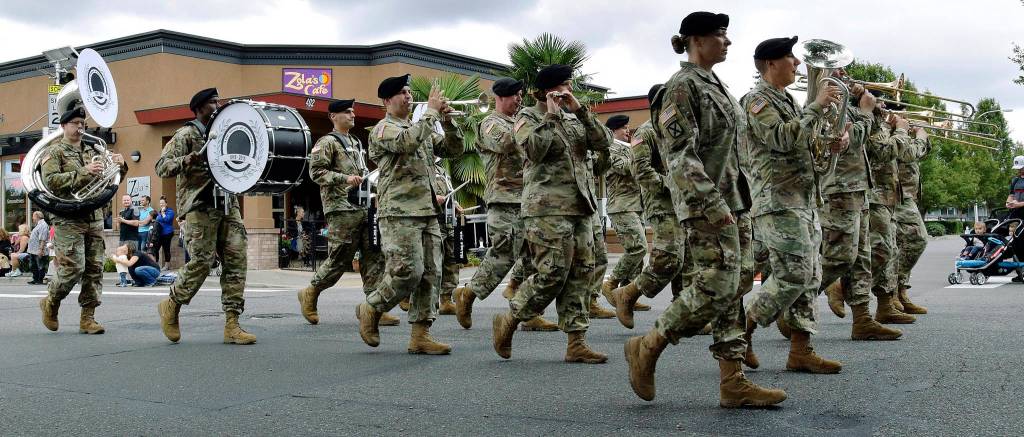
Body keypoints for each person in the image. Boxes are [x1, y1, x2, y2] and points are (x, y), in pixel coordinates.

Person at [623, 12, 785, 407]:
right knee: (717, 284)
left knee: (737, 285)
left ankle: (733, 381)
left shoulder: (717, 86)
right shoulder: (681, 87)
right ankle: (648, 343)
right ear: (697, 40)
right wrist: (710, 203)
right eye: (720, 35)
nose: (727, 42)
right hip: (707, 205)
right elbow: (678, 155)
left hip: (735, 201)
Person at [491, 64, 612, 364]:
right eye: (565, 86)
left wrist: (580, 110)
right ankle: (511, 318)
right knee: (552, 273)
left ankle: (576, 341)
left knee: (582, 272)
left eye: (571, 86)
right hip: (545, 209)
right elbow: (534, 151)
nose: (569, 91)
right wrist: (551, 116)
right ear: (548, 91)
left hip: (580, 206)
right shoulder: (527, 117)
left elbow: (603, 142)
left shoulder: (575, 116)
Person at [739, 36, 845, 374]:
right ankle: (740, 331)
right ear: (771, 64)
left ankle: (801, 350)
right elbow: (782, 139)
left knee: (811, 275)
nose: (798, 64)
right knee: (793, 274)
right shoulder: (757, 100)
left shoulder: (788, 100)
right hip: (777, 200)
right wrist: (815, 106)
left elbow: (806, 149)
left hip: (802, 199)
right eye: (791, 58)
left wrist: (831, 143)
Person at [355, 74, 463, 354]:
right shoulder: (383, 129)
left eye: (408, 91)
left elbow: (453, 149)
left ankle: (420, 335)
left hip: (427, 211)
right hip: (398, 211)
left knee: (431, 273)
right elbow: (407, 142)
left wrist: (448, 121)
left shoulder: (421, 127)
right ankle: (371, 307)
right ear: (387, 100)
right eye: (402, 92)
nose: (408, 96)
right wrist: (430, 113)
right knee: (408, 272)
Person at [453, 77, 557, 332]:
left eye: (521, 94)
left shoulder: (520, 121)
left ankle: (528, 313)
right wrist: (530, 125)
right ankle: (469, 293)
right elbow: (507, 142)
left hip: (529, 199)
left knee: (534, 258)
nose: (519, 99)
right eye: (514, 95)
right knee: (503, 255)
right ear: (499, 97)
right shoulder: (490, 123)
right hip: (504, 199)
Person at [155, 87, 255, 345]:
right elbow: (161, 167)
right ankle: (172, 304)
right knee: (202, 261)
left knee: (236, 259)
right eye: (212, 102)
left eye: (218, 101)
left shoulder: (225, 132)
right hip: (200, 205)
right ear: (199, 108)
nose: (217, 106)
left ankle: (232, 324)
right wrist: (186, 160)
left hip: (227, 204)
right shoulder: (186, 134)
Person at [296, 98, 391, 326]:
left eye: (353, 112)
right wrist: (344, 178)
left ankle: (374, 307)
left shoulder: (356, 142)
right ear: (333, 117)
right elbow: (316, 172)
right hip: (340, 208)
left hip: (363, 206)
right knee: (340, 258)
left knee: (373, 256)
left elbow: (363, 173)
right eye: (347, 112)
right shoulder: (327, 142)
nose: (352, 115)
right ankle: (310, 292)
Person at [38, 104, 128, 335]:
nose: (80, 128)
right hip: (68, 218)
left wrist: (120, 166)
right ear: (63, 126)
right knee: (73, 268)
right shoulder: (54, 151)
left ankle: (88, 318)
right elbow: (51, 183)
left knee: (95, 269)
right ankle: (51, 301)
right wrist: (85, 171)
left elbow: (109, 182)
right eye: (75, 124)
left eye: (82, 124)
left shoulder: (93, 150)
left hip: (94, 216)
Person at [612, 85, 684, 328]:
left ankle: (680, 310)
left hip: (682, 203)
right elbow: (641, 171)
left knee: (687, 260)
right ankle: (629, 292)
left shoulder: (673, 128)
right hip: (660, 202)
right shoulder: (647, 132)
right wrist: (669, 185)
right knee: (669, 258)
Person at [599, 114, 651, 313]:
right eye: (623, 128)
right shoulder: (611, 148)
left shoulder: (630, 148)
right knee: (638, 247)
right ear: (613, 131)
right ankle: (611, 283)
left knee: (639, 250)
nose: (627, 131)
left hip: (635, 205)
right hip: (621, 206)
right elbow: (624, 168)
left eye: (628, 127)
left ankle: (627, 294)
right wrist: (641, 157)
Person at [893, 127, 931, 298]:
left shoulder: (901, 130)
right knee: (918, 240)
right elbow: (907, 153)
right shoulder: (890, 129)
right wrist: (920, 138)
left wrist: (923, 137)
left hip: (907, 194)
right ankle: (890, 288)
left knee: (903, 244)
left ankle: (899, 291)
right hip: (896, 194)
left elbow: (920, 153)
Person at [27, 211, 50, 285]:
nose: (32, 218)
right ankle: (35, 279)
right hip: (33, 250)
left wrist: (41, 249)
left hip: (38, 250)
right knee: (33, 266)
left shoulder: (43, 225)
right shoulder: (38, 225)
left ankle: (39, 280)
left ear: (37, 216)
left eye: (33, 216)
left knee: (40, 266)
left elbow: (43, 239)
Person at [154, 196, 175, 270]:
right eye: (160, 203)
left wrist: (163, 212)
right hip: (159, 233)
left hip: (167, 233)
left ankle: (167, 266)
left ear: (166, 204)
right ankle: (156, 265)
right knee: (155, 249)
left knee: (166, 249)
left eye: (163, 203)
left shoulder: (170, 211)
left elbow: (166, 219)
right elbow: (157, 220)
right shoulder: (159, 212)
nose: (161, 204)